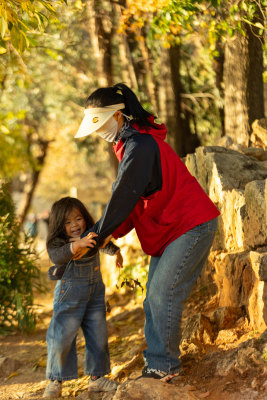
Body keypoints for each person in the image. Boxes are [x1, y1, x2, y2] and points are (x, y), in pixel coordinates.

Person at [74, 83, 220, 383]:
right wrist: (110, 235)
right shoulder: (129, 145)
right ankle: (159, 363)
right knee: (152, 299)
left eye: (101, 124)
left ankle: (163, 366)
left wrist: (98, 235)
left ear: (117, 117)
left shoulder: (140, 146)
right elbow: (136, 200)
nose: (100, 132)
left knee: (162, 293)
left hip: (191, 224)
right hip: (170, 228)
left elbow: (124, 195)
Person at [43, 197, 122, 399]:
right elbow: (56, 257)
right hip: (69, 295)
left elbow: (100, 243)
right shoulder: (59, 243)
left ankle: (97, 378)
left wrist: (115, 251)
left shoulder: (90, 234)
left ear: (84, 218)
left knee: (98, 334)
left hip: (95, 294)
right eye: (68, 223)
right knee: (61, 335)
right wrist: (76, 245)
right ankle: (55, 380)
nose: (75, 225)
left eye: (78, 219)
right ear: (60, 226)